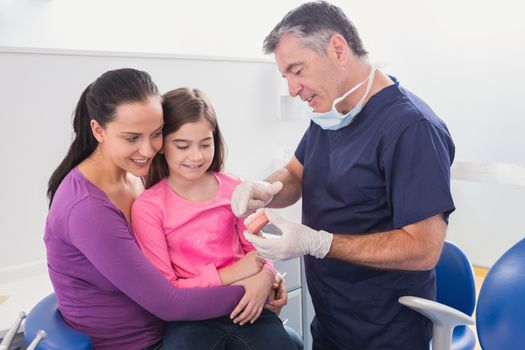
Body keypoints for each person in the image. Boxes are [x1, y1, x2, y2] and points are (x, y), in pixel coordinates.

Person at [232, 2, 456, 349]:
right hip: (332, 323)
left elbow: (424, 248)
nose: (293, 89)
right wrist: (268, 188)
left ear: (337, 49)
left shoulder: (411, 128)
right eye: (285, 76)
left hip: (386, 332)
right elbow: (296, 173)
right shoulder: (333, 113)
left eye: (297, 69)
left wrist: (320, 243)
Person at [44, 69, 246, 350]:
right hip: (136, 344)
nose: (148, 149)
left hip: (171, 329)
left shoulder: (135, 175)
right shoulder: (87, 209)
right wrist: (253, 289)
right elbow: (169, 304)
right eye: (131, 138)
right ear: (98, 130)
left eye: (156, 134)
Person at [131, 87, 298, 350]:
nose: (196, 156)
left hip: (248, 307)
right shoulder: (148, 207)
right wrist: (236, 274)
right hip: (192, 318)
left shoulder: (236, 189)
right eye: (182, 145)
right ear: (162, 145)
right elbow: (167, 288)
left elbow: (258, 252)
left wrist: (266, 276)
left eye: (205, 144)